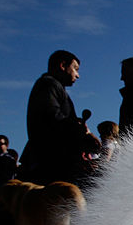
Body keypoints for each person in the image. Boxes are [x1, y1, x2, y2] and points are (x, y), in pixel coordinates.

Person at [20, 50, 98, 185]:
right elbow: (53, 118)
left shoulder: (51, 86)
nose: (77, 75)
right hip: (52, 163)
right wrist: (82, 132)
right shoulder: (49, 85)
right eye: (75, 69)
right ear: (63, 65)